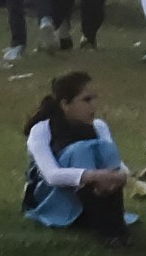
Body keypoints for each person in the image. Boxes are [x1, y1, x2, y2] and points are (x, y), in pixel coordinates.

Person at [20, 72, 136, 236]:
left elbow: (118, 165)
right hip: (52, 197)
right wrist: (94, 176)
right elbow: (51, 175)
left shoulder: (99, 126)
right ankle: (101, 223)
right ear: (65, 104)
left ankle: (113, 224)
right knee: (81, 150)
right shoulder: (42, 130)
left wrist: (118, 177)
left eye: (94, 99)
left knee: (104, 148)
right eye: (86, 100)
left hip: (99, 189)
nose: (93, 106)